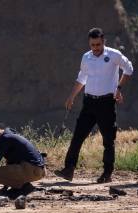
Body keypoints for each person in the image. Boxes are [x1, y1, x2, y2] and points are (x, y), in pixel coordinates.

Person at [55, 27, 133, 184]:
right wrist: (71, 96)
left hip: (106, 103)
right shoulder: (86, 57)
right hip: (89, 102)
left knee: (108, 140)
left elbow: (129, 68)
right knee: (77, 137)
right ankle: (68, 170)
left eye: (98, 44)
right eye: (92, 45)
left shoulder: (113, 55)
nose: (95, 48)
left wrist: (118, 89)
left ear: (103, 41)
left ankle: (107, 173)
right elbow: (82, 77)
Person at [0, 126, 45, 198]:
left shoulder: (4, 139)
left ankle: (25, 188)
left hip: (32, 169)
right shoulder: (9, 135)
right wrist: (5, 188)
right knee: (7, 166)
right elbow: (10, 165)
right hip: (39, 170)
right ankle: (19, 188)